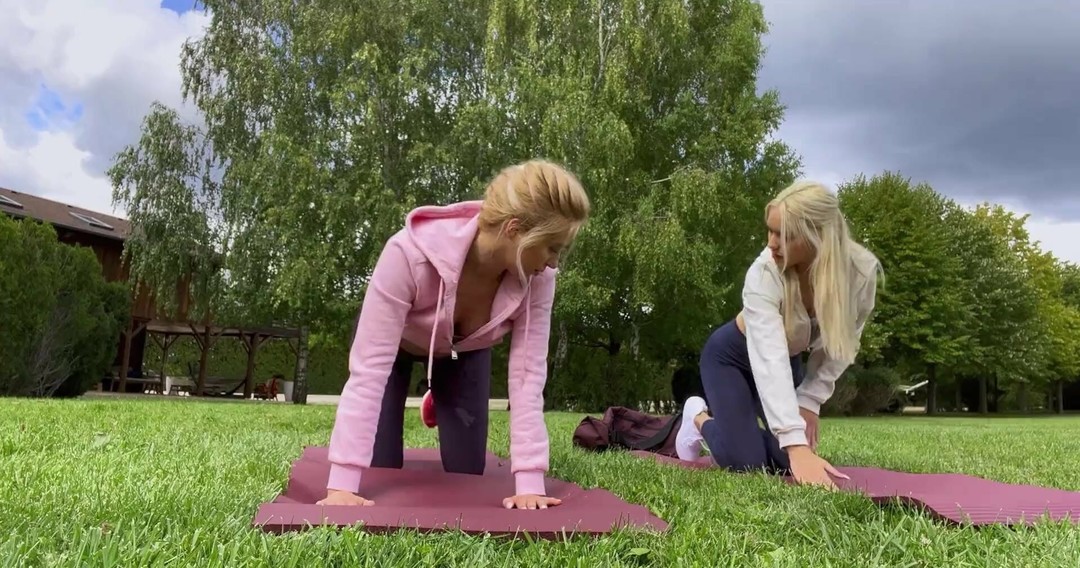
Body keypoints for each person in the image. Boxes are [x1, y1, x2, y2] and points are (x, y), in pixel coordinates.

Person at [319, 159, 590, 510]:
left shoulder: (539, 279)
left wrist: (530, 484)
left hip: (464, 352)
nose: (554, 262)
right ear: (514, 230)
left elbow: (528, 376)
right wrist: (341, 485)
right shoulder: (407, 254)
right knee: (381, 468)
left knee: (466, 475)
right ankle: (434, 393)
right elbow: (369, 370)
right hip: (394, 349)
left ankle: (440, 396)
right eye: (552, 247)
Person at [675, 180, 882, 489]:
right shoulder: (763, 273)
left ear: (818, 235)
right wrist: (795, 444)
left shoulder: (860, 273)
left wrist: (810, 400)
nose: (771, 243)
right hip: (731, 356)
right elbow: (769, 358)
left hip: (787, 358)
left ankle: (743, 435)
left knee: (784, 461)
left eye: (784, 235)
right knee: (748, 463)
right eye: (769, 231)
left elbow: (843, 343)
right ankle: (697, 418)